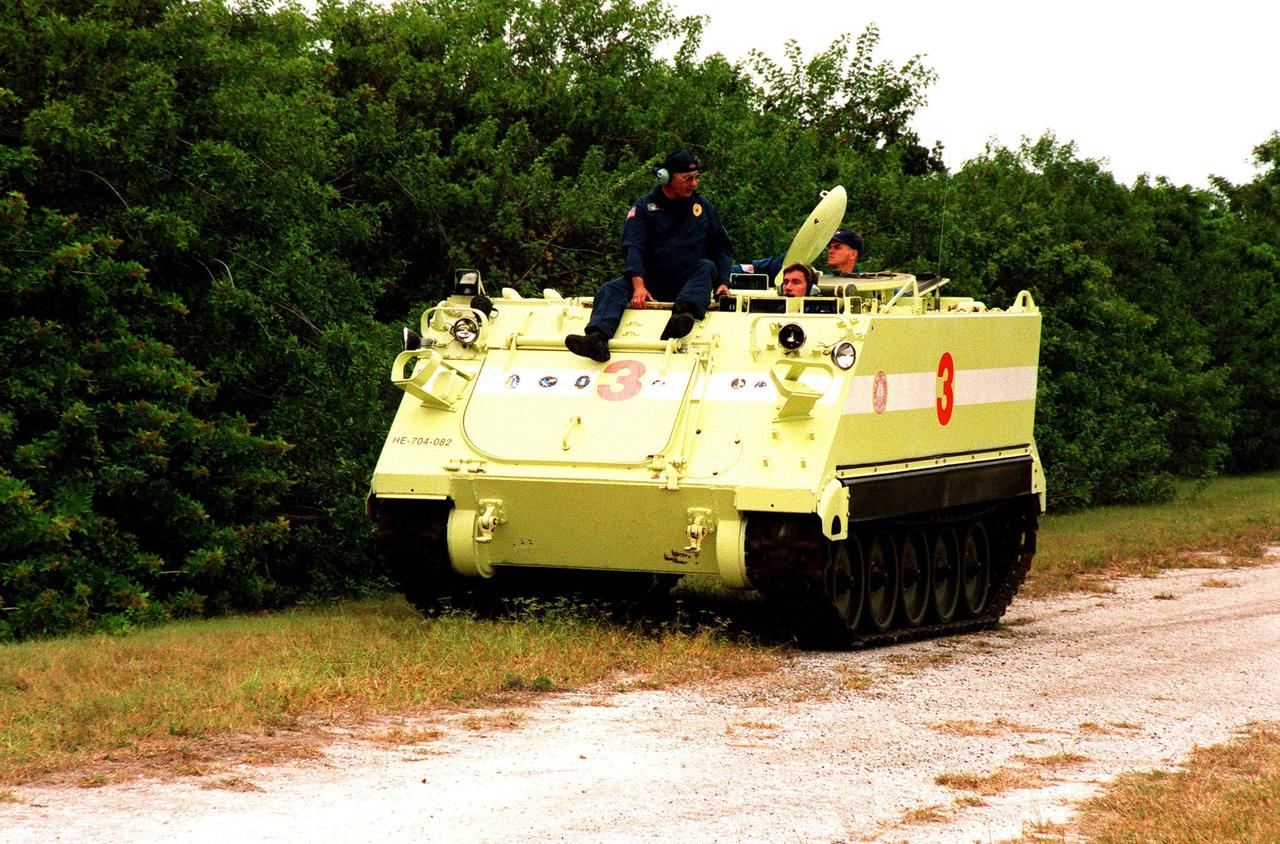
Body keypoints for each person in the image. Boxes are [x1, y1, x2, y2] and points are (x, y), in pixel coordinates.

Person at [565, 150, 732, 362]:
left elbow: (722, 247)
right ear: (666, 177)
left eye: (696, 178)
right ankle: (597, 338)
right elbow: (633, 247)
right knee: (611, 289)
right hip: (650, 280)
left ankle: (683, 317)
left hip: (688, 281)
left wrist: (723, 282)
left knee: (706, 266)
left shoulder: (702, 207)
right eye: (688, 179)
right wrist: (638, 285)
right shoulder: (643, 207)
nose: (694, 185)